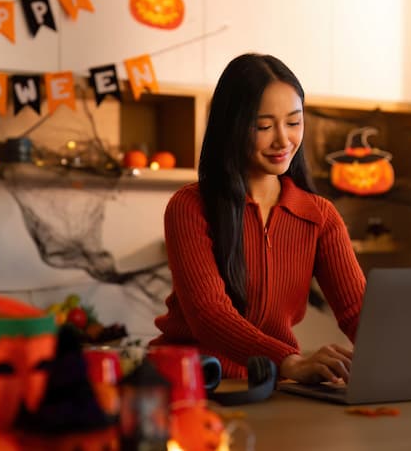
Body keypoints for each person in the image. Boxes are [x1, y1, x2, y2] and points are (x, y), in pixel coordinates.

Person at [149, 53, 366, 384]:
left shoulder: (320, 216)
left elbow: (357, 312)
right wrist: (288, 361)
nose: (283, 140)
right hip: (191, 382)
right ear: (231, 127)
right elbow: (209, 315)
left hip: (271, 384)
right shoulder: (190, 207)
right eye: (263, 126)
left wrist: (406, 361)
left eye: (294, 123)